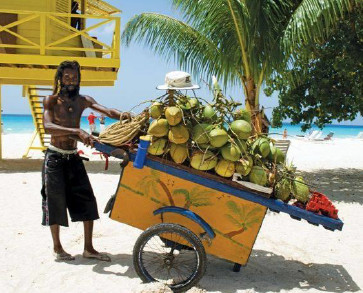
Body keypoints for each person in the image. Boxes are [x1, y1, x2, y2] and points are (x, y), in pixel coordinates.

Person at [42, 60, 130, 261]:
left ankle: (88, 248)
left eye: (74, 77)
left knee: (88, 201)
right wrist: (77, 131)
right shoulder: (51, 101)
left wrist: (125, 116)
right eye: (67, 77)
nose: (71, 81)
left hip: (73, 157)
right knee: (54, 203)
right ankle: (58, 248)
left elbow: (107, 111)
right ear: (60, 78)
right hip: (54, 157)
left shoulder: (83, 100)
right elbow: (48, 127)